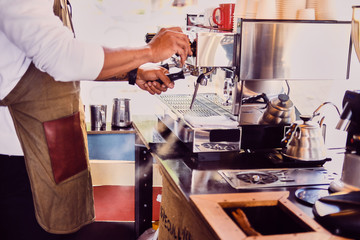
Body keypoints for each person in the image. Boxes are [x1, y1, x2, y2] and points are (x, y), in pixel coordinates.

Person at [0, 0, 192, 239]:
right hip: (21, 165)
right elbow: (63, 59)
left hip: (57, 154)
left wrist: (133, 73)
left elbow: (52, 63)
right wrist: (150, 51)